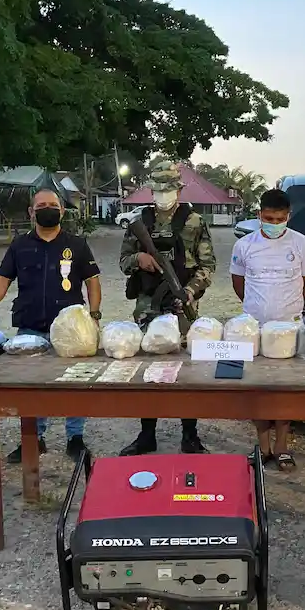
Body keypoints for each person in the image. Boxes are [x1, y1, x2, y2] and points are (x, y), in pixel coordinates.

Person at [0, 189, 102, 463]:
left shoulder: (77, 244)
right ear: (31, 212)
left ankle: (75, 438)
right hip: (31, 326)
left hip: (71, 330)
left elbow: (92, 281)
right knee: (31, 387)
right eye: (41, 205)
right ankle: (34, 438)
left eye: (53, 205)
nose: (48, 209)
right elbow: (2, 279)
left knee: (74, 383)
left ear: (62, 211)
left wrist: (94, 315)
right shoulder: (20, 245)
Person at [118, 161, 216, 456]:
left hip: (182, 303)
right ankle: (147, 435)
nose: (163, 195)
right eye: (159, 190)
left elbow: (208, 266)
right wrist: (139, 260)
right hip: (148, 305)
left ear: (178, 190)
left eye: (168, 189)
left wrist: (189, 292)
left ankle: (190, 435)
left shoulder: (194, 221)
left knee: (187, 372)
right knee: (148, 370)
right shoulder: (139, 222)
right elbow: (123, 261)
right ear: (151, 191)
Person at [229, 189, 305, 471]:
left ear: (288, 216)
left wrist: (285, 312)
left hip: (289, 328)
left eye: (280, 219)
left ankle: (282, 446)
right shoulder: (244, 245)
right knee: (256, 388)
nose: (275, 224)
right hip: (253, 327)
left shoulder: (303, 245)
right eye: (269, 219)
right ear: (259, 215)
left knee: (284, 390)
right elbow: (238, 284)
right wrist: (257, 309)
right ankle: (262, 447)